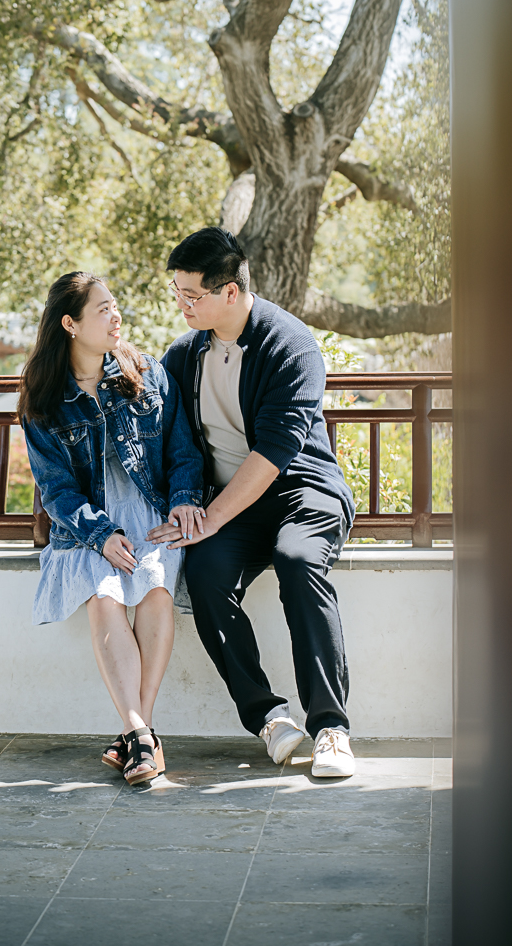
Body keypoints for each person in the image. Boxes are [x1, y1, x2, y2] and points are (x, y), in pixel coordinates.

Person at [147, 227, 357, 778]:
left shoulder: (292, 346)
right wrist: (189, 507)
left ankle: (331, 727)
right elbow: (172, 440)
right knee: (206, 570)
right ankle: (269, 719)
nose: (183, 305)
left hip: (301, 490)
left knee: (297, 560)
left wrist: (210, 518)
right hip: (229, 504)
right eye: (177, 293)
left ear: (231, 292)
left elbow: (274, 453)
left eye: (193, 296)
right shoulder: (182, 355)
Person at [19, 271, 204, 786]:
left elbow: (182, 450)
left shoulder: (145, 372)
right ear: (70, 324)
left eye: (115, 305)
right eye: (103, 310)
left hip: (149, 515)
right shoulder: (43, 397)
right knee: (105, 598)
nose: (116, 316)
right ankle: (144, 735)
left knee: (156, 593)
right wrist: (99, 534)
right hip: (85, 527)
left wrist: (185, 502)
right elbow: (56, 490)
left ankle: (136, 736)